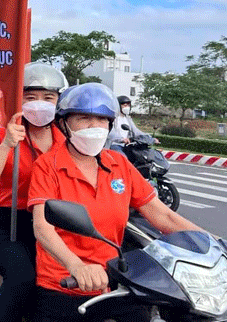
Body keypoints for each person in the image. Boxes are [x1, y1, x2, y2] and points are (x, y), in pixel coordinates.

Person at [27, 83, 205, 322]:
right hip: (63, 284)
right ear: (64, 124)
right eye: (83, 118)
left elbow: (164, 216)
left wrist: (213, 244)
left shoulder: (118, 164)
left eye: (102, 120)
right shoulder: (47, 166)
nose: (94, 127)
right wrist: (77, 266)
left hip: (115, 281)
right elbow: (42, 227)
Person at [0, 63, 68, 322]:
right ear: (19, 100)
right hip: (11, 224)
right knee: (22, 277)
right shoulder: (3, 135)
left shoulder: (68, 141)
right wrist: (6, 144)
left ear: (59, 101)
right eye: (30, 97)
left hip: (55, 226)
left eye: (48, 98)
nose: (40, 104)